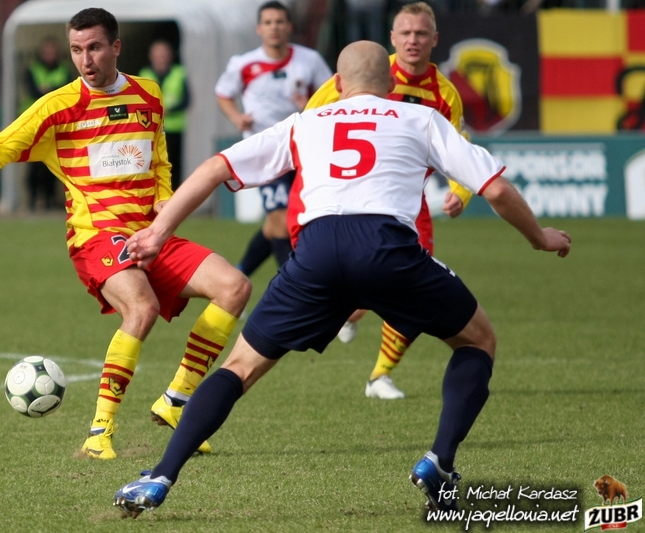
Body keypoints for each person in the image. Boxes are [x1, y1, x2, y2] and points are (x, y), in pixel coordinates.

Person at [113, 40, 571, 517]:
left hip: (317, 252)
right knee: (477, 340)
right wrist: (539, 237)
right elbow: (496, 189)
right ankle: (440, 460)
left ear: (336, 83)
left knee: (240, 367)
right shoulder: (421, 118)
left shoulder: (306, 122)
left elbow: (215, 168)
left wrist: (158, 232)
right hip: (387, 249)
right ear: (391, 82)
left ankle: (160, 475)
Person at [0, 7, 251, 460]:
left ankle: (177, 401)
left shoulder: (148, 94)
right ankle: (100, 433)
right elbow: (5, 143)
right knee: (141, 308)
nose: (85, 59)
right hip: (97, 235)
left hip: (151, 233)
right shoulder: (58, 106)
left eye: (94, 47)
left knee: (235, 288)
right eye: (77, 49)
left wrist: (163, 198)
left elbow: (159, 158)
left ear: (116, 47)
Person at [307, 2, 472, 400]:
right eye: (406, 33)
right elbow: (312, 117)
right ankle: (350, 310)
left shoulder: (444, 94)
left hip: (409, 203)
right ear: (393, 38)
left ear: (434, 39)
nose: (413, 40)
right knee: (377, 282)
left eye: (421, 33)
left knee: (409, 287)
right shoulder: (365, 73)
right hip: (352, 197)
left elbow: (459, 146)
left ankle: (380, 374)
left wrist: (460, 190)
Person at [215, 1, 331, 277]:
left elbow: (331, 95)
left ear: (289, 26)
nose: (274, 27)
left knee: (282, 220)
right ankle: (292, 283)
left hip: (302, 148)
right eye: (268, 22)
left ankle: (239, 273)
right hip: (264, 151)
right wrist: (237, 118)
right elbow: (223, 93)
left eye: (279, 21)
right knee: (279, 217)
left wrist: (310, 104)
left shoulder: (310, 60)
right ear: (259, 28)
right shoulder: (244, 63)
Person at [21, 37, 71, 211]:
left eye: (53, 52)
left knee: (52, 164)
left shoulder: (63, 70)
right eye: (47, 52)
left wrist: (45, 90)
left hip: (55, 123)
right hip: (34, 122)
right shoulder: (32, 69)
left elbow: (66, 92)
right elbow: (32, 91)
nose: (50, 55)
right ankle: (33, 200)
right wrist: (52, 91)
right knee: (34, 163)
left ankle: (49, 201)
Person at [138, 40, 189, 191]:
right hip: (151, 128)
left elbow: (187, 100)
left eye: (163, 54)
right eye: (157, 54)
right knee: (152, 163)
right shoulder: (144, 74)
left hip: (174, 128)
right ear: (151, 56)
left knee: (173, 165)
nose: (161, 58)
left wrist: (169, 110)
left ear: (170, 56)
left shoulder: (179, 73)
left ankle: (175, 195)